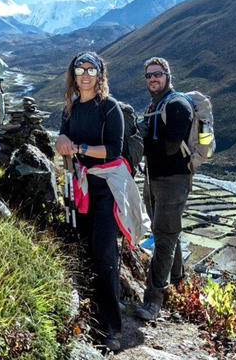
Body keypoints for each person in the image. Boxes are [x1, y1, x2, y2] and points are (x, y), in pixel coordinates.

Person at [54, 52, 125, 352]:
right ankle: (90, 317)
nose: (85, 75)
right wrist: (60, 141)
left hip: (105, 188)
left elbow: (113, 150)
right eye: (80, 69)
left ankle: (112, 328)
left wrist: (80, 147)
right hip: (80, 187)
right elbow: (61, 139)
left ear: (100, 74)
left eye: (91, 69)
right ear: (74, 74)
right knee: (84, 250)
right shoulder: (70, 109)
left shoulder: (110, 108)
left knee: (105, 255)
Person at [134, 57, 194, 322]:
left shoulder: (178, 106)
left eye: (157, 74)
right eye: (148, 75)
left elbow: (170, 147)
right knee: (170, 233)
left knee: (164, 238)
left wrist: (140, 140)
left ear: (168, 76)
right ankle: (180, 285)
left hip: (173, 181)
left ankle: (153, 301)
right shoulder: (155, 105)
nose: (152, 79)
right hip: (154, 179)